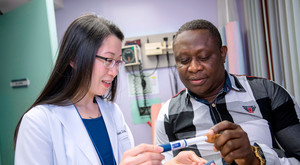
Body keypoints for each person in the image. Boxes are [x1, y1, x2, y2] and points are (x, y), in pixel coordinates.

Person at [14, 14, 210, 165]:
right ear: (74, 59)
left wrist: (171, 162)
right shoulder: (39, 122)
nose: (114, 71)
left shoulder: (112, 112)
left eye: (118, 62)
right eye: (108, 60)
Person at [155, 19, 300, 165]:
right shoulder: (168, 114)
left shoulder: (267, 93)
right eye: (184, 60)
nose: (194, 67)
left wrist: (256, 159)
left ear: (222, 53)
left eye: (204, 57)